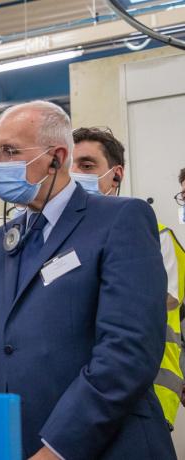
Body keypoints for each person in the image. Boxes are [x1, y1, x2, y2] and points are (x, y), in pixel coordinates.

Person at [0, 101, 176, 459]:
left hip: (104, 445)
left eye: (9, 151)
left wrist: (57, 448)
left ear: (56, 157)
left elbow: (127, 350)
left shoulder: (120, 220)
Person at [71, 127, 184, 428]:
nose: (74, 174)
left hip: (147, 392)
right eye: (70, 165)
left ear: (116, 175)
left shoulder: (155, 237)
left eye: (86, 165)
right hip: (81, 394)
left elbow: (139, 310)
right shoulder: (65, 241)